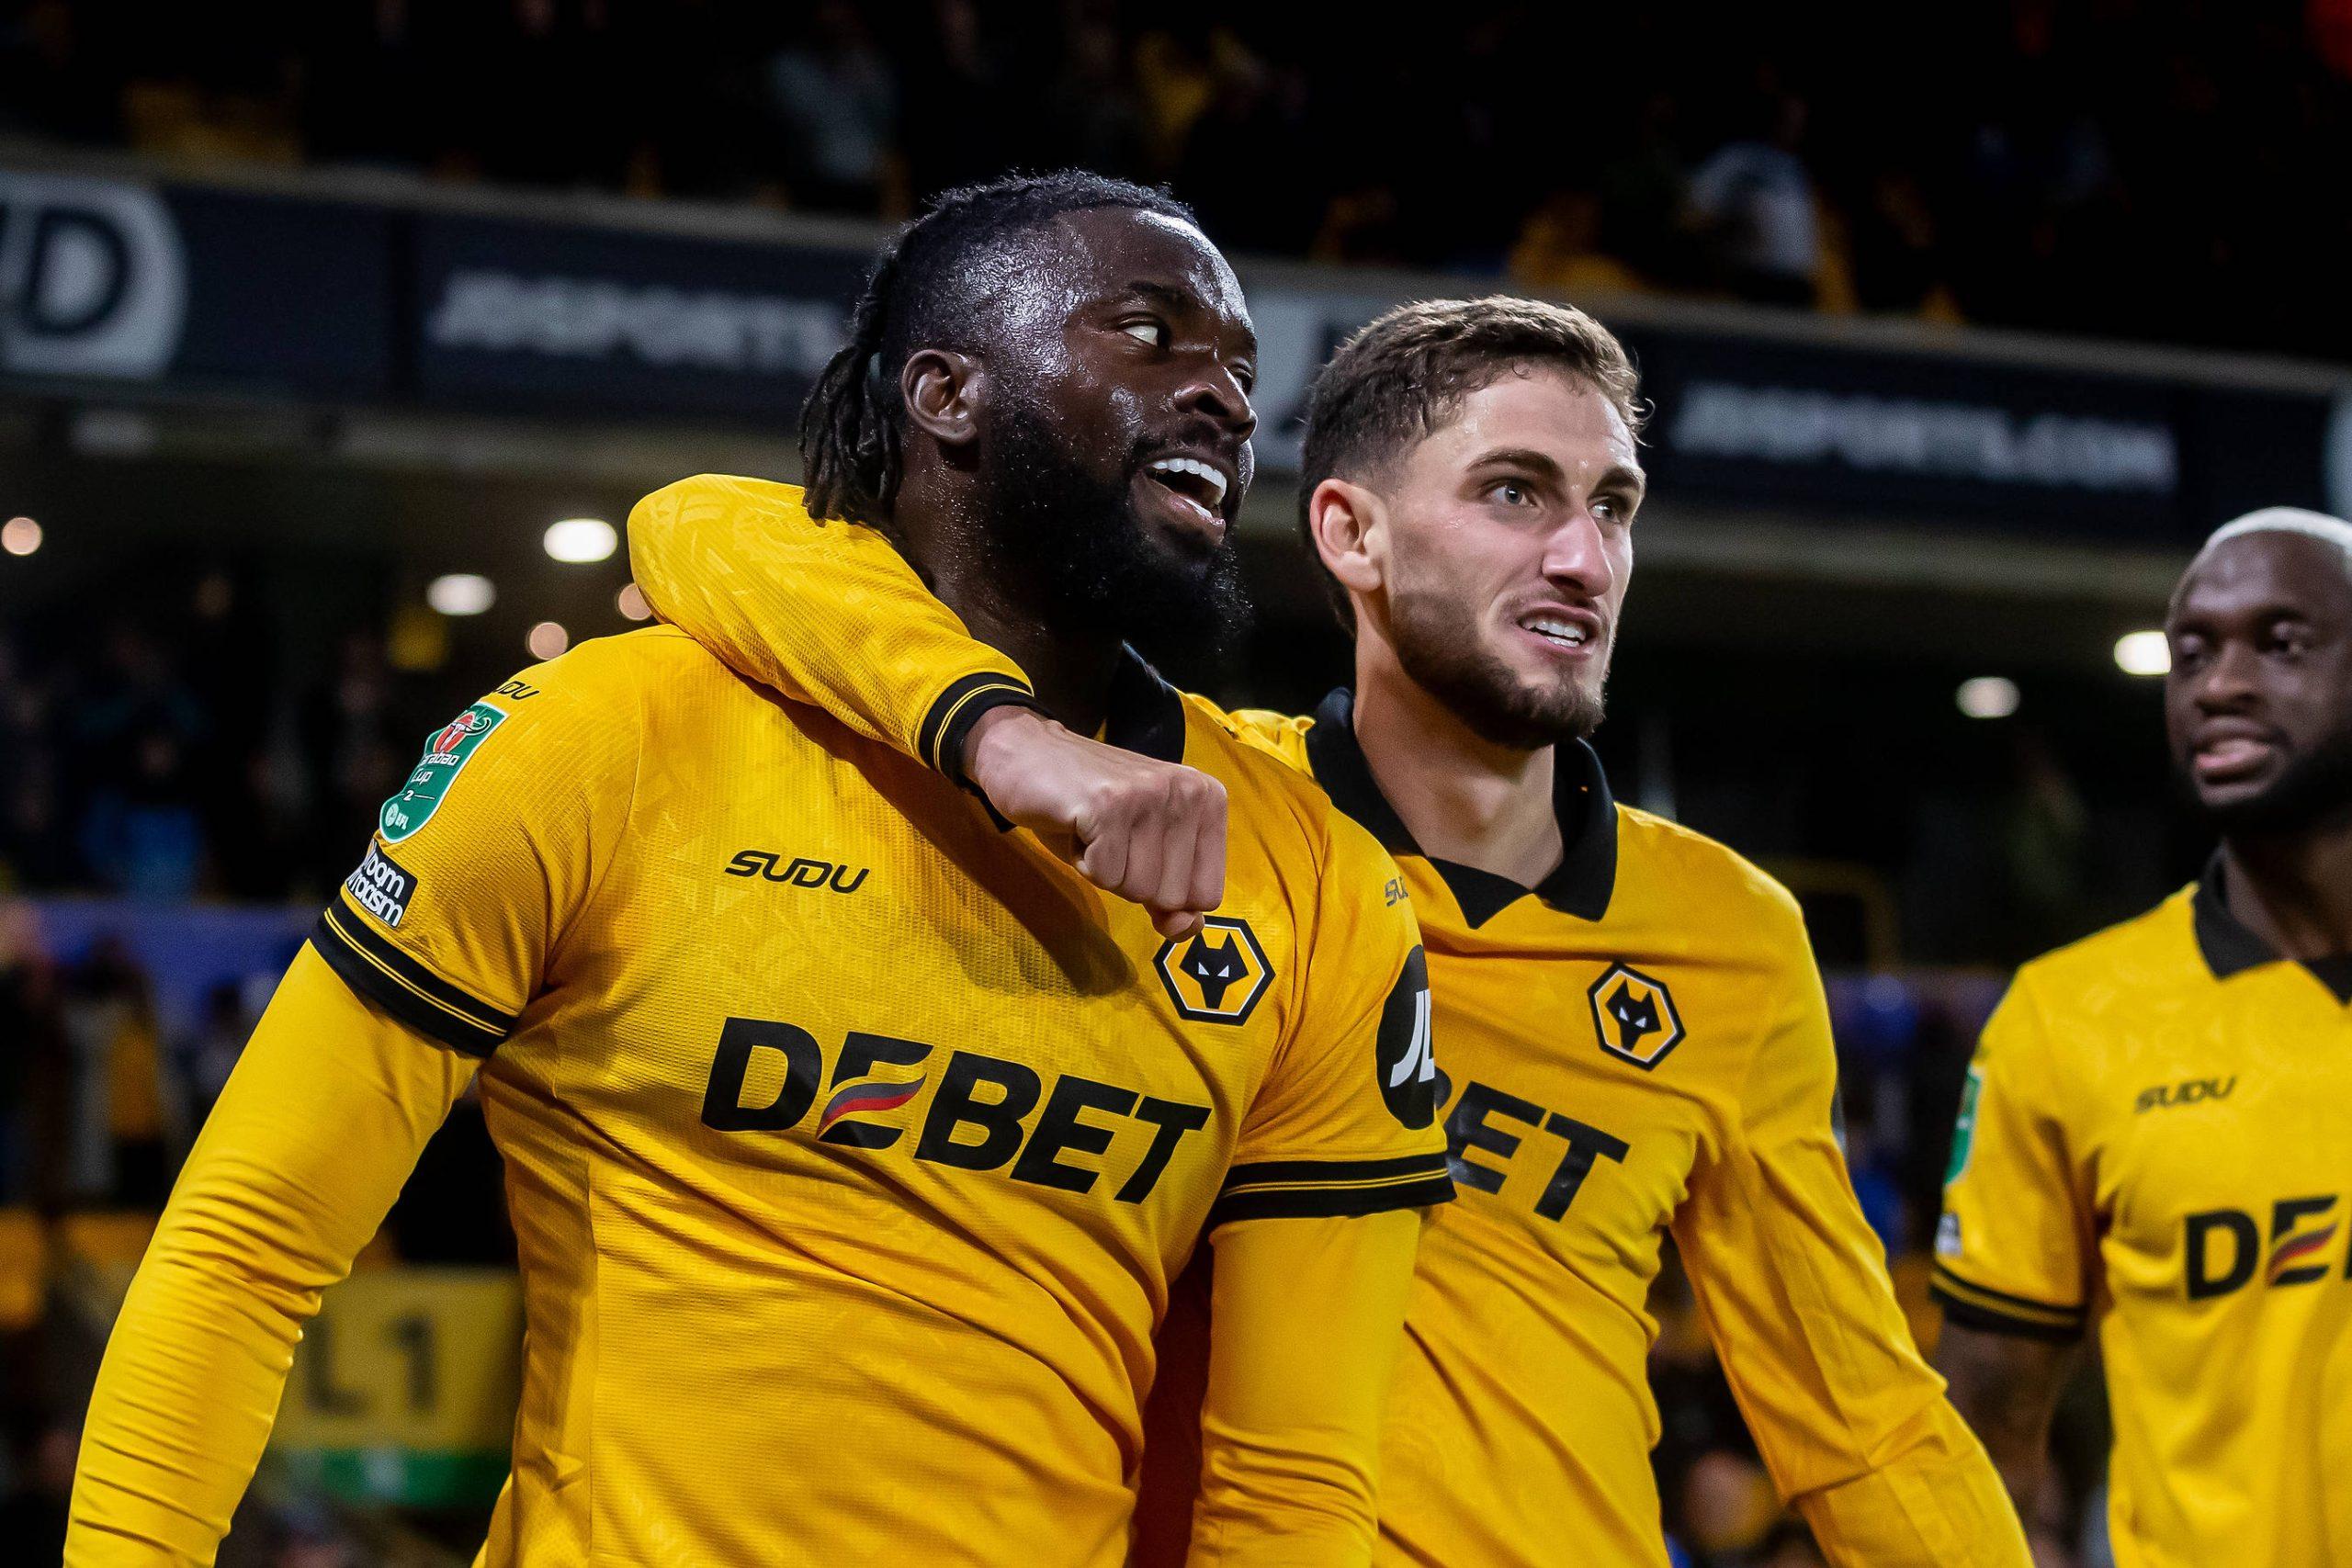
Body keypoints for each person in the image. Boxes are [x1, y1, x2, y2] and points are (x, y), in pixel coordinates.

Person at [66, 174, 1453, 1567]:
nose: (1221, 393)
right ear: (947, 394)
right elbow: (246, 1246)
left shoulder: (1315, 880)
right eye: (1149, 336)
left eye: (1239, 366)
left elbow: (1292, 1485)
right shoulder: (609, 739)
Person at [628, 294, 2030, 1565]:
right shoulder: (1187, 812)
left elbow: (1862, 1417)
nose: (1581, 554)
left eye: (1614, 504)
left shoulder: (1732, 932)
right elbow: (709, 530)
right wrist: (999, 735)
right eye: (1514, 491)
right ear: (1351, 531)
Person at [1934, 507, 2352, 1567]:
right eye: (2192, 653)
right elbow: (1986, 1425)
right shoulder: (2066, 1017)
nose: (2219, 685)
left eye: (2282, 643)